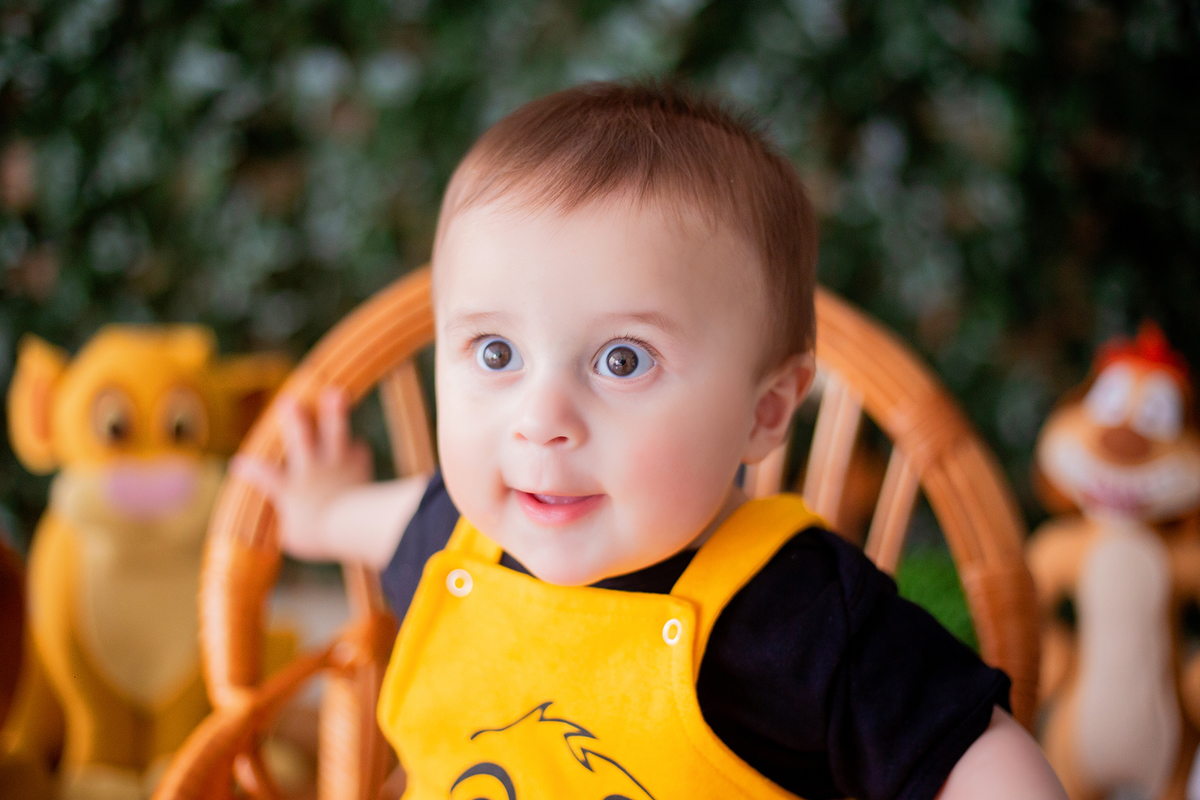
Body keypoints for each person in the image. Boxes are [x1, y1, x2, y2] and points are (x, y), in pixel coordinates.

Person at [235, 82, 1065, 800]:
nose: (541, 418)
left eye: (622, 360)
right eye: (495, 353)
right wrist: (323, 506)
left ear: (765, 412)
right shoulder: (450, 534)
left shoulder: (802, 616)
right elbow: (363, 519)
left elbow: (974, 752)